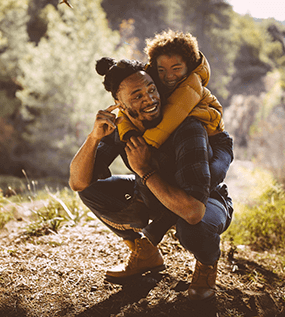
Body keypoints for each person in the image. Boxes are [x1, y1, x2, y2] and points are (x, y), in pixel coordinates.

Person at [69, 58, 233, 301]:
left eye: (151, 89)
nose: (149, 99)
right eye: (137, 96)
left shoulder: (187, 128)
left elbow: (193, 211)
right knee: (92, 192)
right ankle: (144, 254)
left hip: (206, 201)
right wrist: (93, 138)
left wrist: (145, 171)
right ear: (119, 104)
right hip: (155, 196)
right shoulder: (122, 128)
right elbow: (78, 183)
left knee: (193, 229)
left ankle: (206, 265)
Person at [117, 30, 233, 190]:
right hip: (188, 142)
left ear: (189, 67)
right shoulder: (154, 86)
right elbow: (124, 111)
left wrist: (144, 145)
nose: (168, 76)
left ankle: (213, 202)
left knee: (209, 177)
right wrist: (129, 134)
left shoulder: (190, 88)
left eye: (176, 68)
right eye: (162, 70)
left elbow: (170, 119)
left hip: (216, 142)